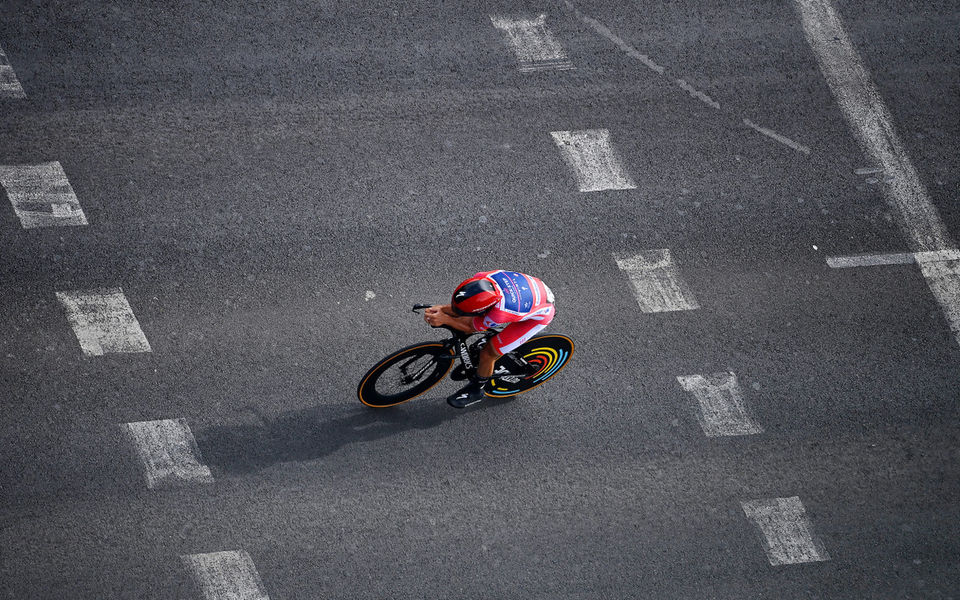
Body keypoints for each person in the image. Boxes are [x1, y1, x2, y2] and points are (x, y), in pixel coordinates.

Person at [424, 270, 555, 408]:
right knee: (473, 321)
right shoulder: (482, 276)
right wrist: (443, 310)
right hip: (532, 292)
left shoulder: (501, 312)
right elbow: (464, 309)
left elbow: (470, 327)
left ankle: (477, 390)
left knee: (488, 354)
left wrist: (445, 318)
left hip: (539, 315)